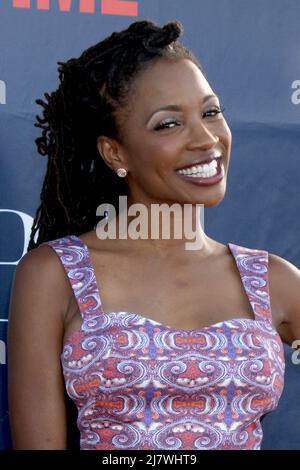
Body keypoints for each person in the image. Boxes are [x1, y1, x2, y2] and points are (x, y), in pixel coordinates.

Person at [7, 19, 300, 451]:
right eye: (168, 124)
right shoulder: (55, 273)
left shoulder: (272, 278)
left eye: (211, 112)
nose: (206, 139)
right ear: (115, 152)